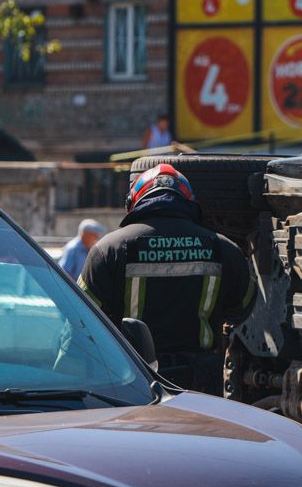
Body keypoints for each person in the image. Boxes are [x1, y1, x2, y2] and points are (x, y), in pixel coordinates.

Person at [78, 163, 254, 394]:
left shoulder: (109, 249)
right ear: (190, 202)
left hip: (133, 384)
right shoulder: (223, 248)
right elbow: (243, 305)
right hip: (201, 386)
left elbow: (80, 320)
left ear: (133, 201)